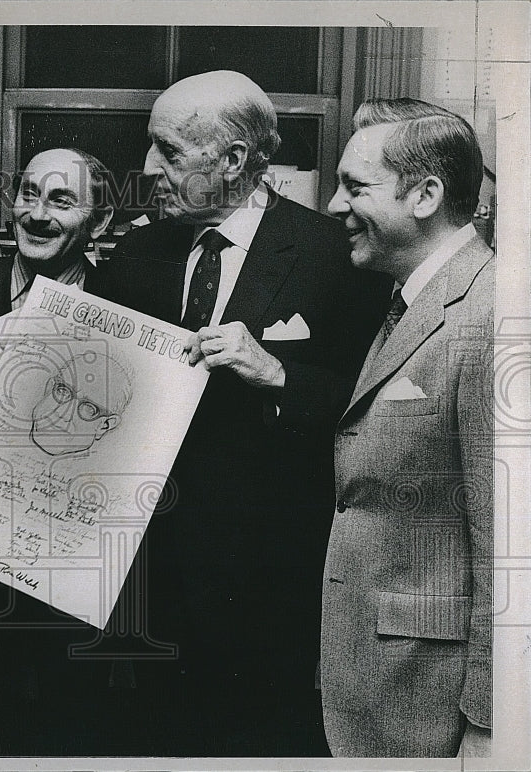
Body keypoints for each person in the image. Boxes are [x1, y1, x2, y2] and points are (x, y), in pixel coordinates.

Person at [97, 70, 391, 756]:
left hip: (268, 598)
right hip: (144, 595)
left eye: (168, 153)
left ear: (233, 161)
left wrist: (278, 371)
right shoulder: (137, 254)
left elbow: (372, 408)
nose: (146, 171)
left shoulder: (335, 257)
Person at [321, 98, 493, 758]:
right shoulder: (411, 302)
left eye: (355, 187)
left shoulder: (488, 315)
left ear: (425, 195)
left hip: (435, 717)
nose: (336, 206)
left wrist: (488, 728)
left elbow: (511, 555)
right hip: (383, 694)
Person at [0, 147, 115, 315]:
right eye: (29, 195)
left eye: (60, 201)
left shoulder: (122, 303)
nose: (37, 215)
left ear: (98, 221)